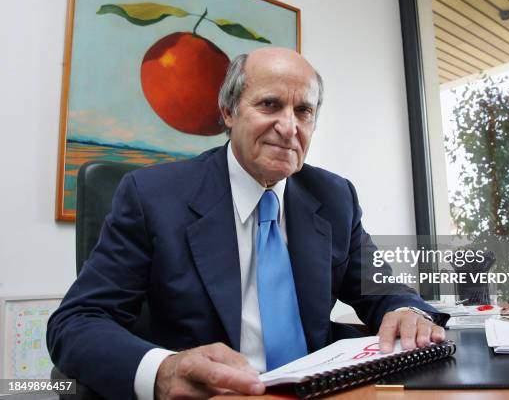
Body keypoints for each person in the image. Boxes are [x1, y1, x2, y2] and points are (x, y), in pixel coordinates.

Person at [47, 48, 448, 400]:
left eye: (303, 111)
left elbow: (385, 292)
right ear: (228, 112)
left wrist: (409, 311)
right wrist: (162, 371)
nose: (289, 127)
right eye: (270, 105)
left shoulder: (335, 196)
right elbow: (77, 322)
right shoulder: (151, 196)